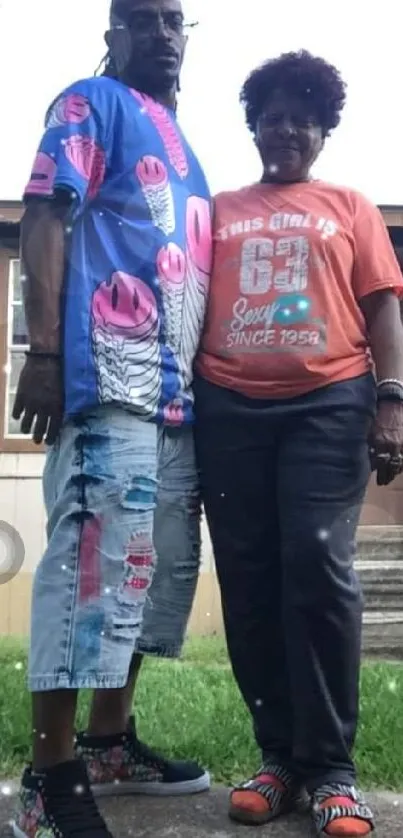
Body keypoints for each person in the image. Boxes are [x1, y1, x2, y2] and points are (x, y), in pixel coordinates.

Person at [11, 1, 212, 836]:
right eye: (143, 19)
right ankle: (48, 779)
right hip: (108, 380)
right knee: (91, 577)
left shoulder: (181, 140)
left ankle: (106, 742)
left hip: (174, 400)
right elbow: (46, 215)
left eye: (175, 20)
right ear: (113, 36)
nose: (163, 34)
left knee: (149, 579)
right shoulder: (88, 104)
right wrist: (47, 352)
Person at [194, 50, 403, 838]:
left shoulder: (349, 206)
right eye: (273, 115)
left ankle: (331, 770)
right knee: (248, 576)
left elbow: (382, 307)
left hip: (328, 400)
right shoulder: (215, 208)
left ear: (322, 132)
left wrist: (391, 401)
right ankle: (277, 756)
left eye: (302, 118)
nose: (286, 127)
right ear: (253, 124)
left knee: (315, 562)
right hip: (227, 408)